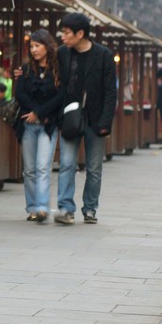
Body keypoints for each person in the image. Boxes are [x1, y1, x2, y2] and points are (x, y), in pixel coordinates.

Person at [54, 12, 117, 226]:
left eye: (66, 33)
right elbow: (56, 81)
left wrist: (106, 123)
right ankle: (66, 208)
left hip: (96, 118)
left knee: (94, 167)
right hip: (70, 117)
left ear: (80, 34)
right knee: (66, 163)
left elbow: (110, 92)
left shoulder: (104, 55)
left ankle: (90, 208)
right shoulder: (63, 53)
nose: (63, 37)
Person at [14, 29, 63, 223]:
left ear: (47, 46)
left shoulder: (58, 69)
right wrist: (34, 112)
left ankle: (43, 207)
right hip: (28, 124)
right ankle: (32, 207)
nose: (34, 50)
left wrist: (40, 113)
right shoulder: (26, 69)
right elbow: (20, 94)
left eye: (37, 45)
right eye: (31, 46)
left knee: (43, 166)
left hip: (49, 124)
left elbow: (61, 95)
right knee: (29, 169)